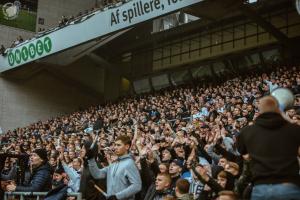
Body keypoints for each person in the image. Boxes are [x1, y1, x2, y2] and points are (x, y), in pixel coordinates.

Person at [237, 96, 300, 200]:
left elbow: (242, 151)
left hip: (261, 187)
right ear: (278, 109)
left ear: (260, 110)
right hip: (289, 185)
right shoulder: (294, 129)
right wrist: (286, 118)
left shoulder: (247, 131)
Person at [88, 135, 142, 200]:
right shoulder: (114, 164)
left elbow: (137, 186)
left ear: (127, 146)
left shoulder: (130, 163)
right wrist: (91, 159)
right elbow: (97, 174)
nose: (115, 147)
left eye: (118, 145)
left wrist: (117, 197)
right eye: (115, 145)